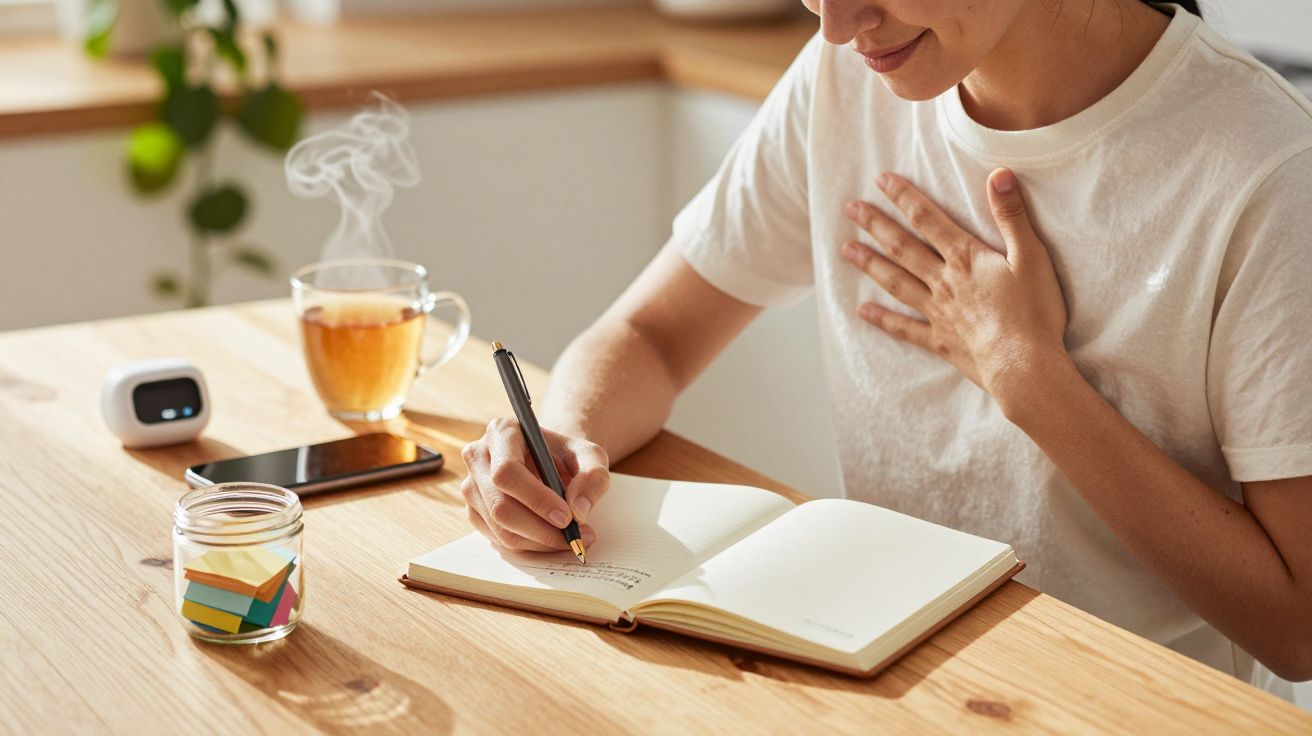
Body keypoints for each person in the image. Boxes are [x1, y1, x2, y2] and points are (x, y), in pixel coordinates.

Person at [459, 0, 1312, 690]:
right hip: (890, 682)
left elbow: (1298, 628)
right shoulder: (850, 77)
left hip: (1128, 707)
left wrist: (1030, 381)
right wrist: (559, 444)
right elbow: (653, 333)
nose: (832, 23)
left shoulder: (1265, 171)